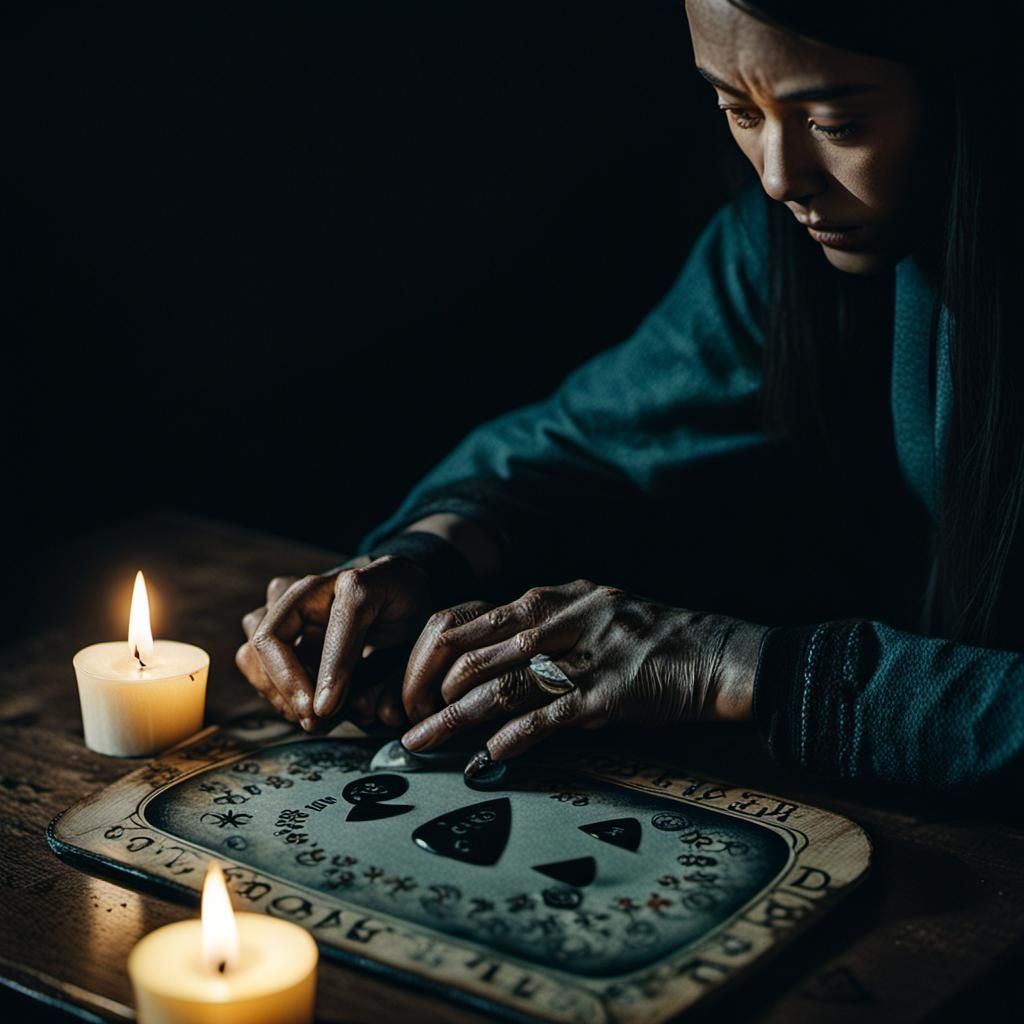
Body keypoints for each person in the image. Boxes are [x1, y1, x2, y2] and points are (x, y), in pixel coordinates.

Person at [236, 0, 1024, 794]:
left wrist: (741, 667)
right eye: (739, 110)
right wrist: (424, 560)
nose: (780, 177)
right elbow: (588, 441)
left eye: (835, 122)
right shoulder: (779, 245)